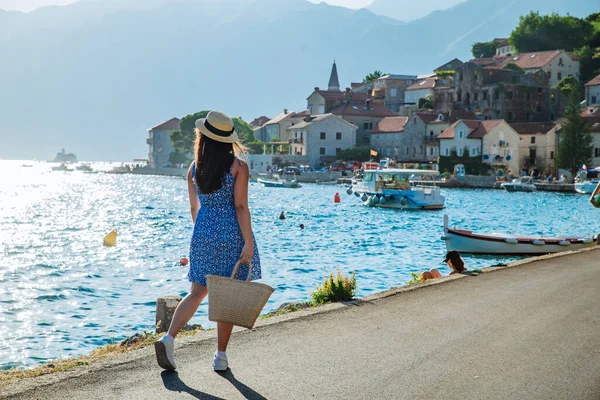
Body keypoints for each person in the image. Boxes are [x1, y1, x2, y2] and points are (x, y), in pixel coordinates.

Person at [155, 111, 261, 372]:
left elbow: (194, 208)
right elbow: (240, 206)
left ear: (203, 137)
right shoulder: (238, 167)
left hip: (202, 232)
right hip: (231, 233)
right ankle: (220, 357)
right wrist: (247, 242)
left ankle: (168, 338)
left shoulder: (194, 167)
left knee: (196, 292)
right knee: (227, 296)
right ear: (227, 140)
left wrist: (203, 234)